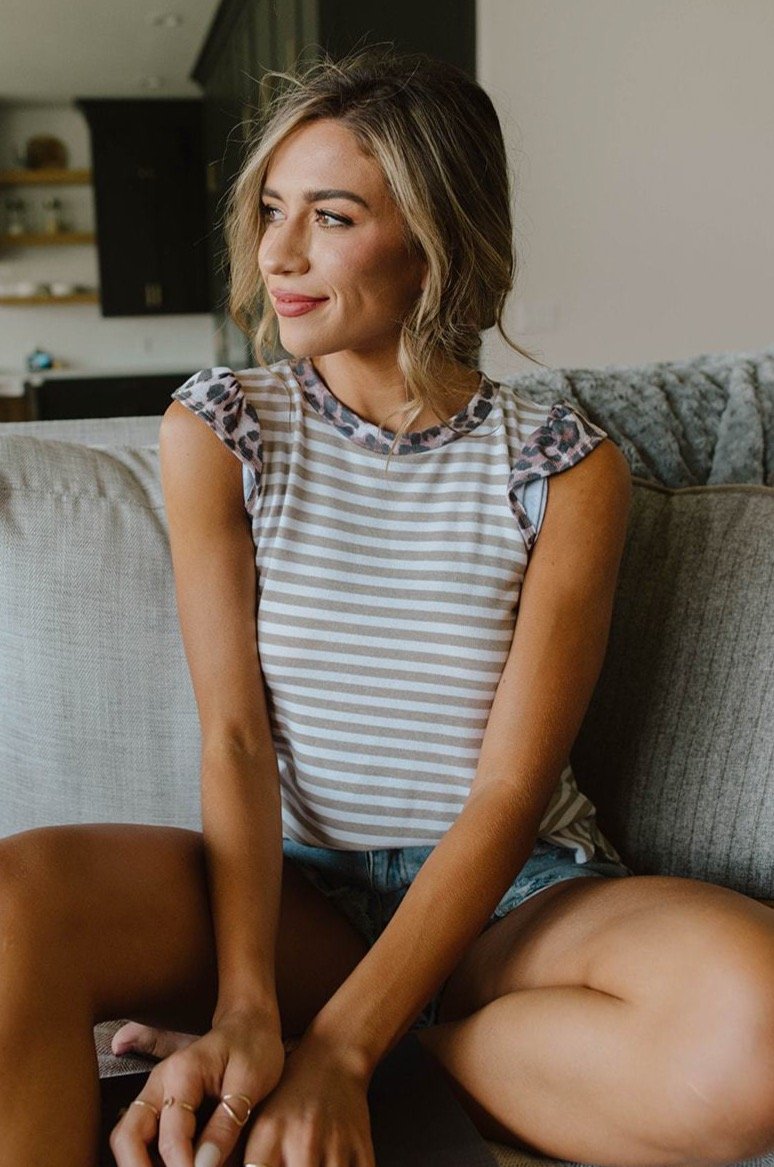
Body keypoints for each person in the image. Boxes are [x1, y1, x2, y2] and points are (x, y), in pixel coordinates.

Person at [1, 48, 772, 1167]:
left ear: (433, 238)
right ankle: (309, 1047)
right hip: (286, 893)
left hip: (509, 902)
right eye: (272, 209)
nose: (279, 252)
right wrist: (247, 1008)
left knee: (754, 1025)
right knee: (18, 899)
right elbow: (233, 732)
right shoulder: (222, 427)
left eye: (332, 215)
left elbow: (511, 788)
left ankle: (395, 1064)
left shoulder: (564, 467)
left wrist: (345, 1051)